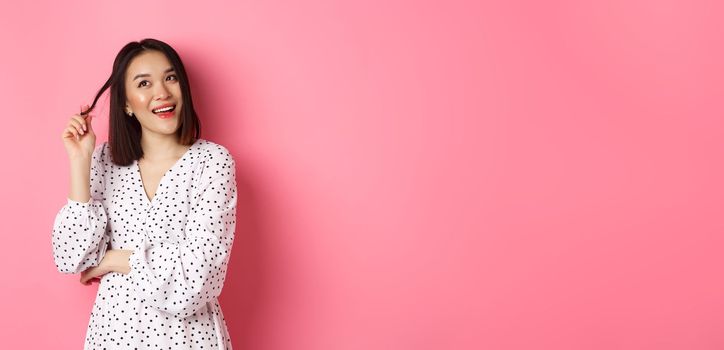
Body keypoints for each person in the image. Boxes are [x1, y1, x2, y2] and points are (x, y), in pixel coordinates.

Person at [51, 38, 237, 349]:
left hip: (189, 339)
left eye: (170, 77)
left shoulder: (213, 163)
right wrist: (79, 161)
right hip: (114, 335)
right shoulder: (104, 161)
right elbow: (71, 257)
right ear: (126, 103)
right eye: (144, 83)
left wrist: (113, 260)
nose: (162, 93)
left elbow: (199, 278)